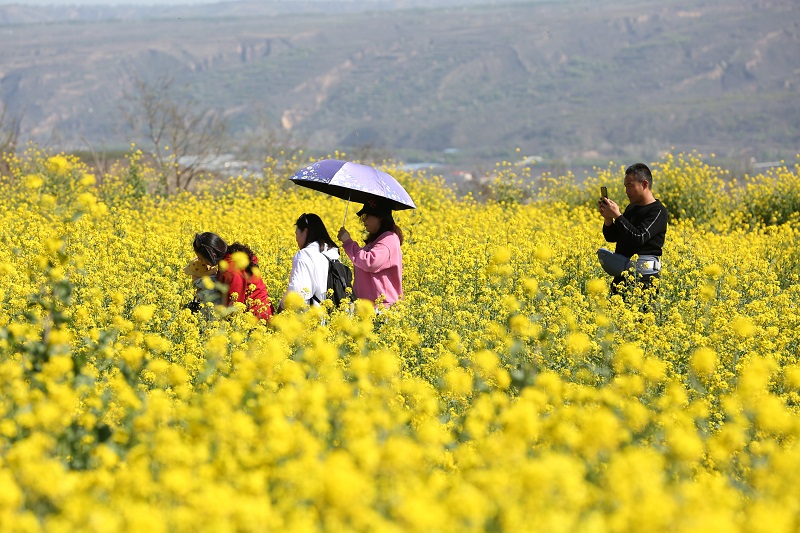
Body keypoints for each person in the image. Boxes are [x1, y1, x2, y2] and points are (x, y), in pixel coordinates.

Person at [597, 163, 668, 295]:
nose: (627, 191)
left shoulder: (658, 211)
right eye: (625, 186)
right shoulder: (631, 208)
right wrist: (608, 218)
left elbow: (639, 237)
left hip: (645, 281)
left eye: (630, 185)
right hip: (621, 278)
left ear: (645, 184)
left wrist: (618, 216)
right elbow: (612, 237)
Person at [190, 232, 274, 322]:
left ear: (213, 255)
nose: (200, 262)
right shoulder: (229, 257)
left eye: (201, 258)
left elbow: (235, 307)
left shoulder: (232, 271)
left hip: (257, 318)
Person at [337, 199, 403, 308]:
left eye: (367, 216)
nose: (364, 221)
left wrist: (348, 242)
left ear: (380, 217)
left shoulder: (389, 239)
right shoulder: (376, 241)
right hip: (367, 307)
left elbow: (370, 262)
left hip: (381, 308)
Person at [279, 213, 341, 311]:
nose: (296, 239)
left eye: (296, 234)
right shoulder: (333, 253)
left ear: (305, 232)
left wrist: (281, 308)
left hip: (312, 319)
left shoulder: (304, 255)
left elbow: (296, 293)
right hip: (336, 318)